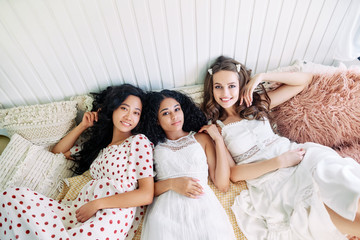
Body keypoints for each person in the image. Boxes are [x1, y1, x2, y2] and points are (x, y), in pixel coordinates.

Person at [201, 56, 360, 239]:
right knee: (319, 204)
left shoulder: (254, 105)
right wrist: (279, 162)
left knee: (338, 180)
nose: (225, 93)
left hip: (299, 156)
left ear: (241, 85)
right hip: (272, 178)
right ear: (211, 89)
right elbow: (233, 174)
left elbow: (303, 82)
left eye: (232, 85)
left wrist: (262, 76)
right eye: (218, 86)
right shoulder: (217, 128)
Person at [0, 84, 154, 240]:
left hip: (111, 214)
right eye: (124, 108)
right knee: (11, 197)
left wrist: (97, 204)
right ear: (112, 108)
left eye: (136, 113)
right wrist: (83, 126)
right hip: (78, 210)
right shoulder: (99, 149)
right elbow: (58, 152)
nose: (129, 116)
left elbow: (146, 194)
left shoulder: (139, 142)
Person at [139, 90, 235, 240]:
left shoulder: (201, 138)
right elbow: (145, 190)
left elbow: (223, 185)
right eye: (165, 113)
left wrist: (218, 140)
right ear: (156, 120)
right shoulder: (151, 147)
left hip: (203, 209)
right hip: (166, 213)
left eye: (177, 109)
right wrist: (172, 184)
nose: (174, 116)